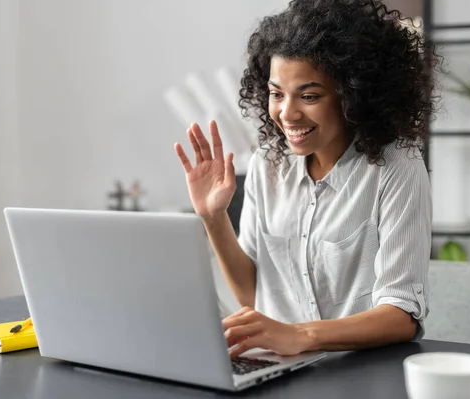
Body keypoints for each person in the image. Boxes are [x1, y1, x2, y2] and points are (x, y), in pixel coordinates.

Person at [174, 0, 438, 359]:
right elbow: (253, 294)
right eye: (276, 94)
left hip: (358, 372)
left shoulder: (396, 166)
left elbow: (402, 315)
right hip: (278, 366)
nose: (287, 113)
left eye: (309, 96)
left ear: (353, 95)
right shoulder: (267, 163)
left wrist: (302, 335)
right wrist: (212, 216)